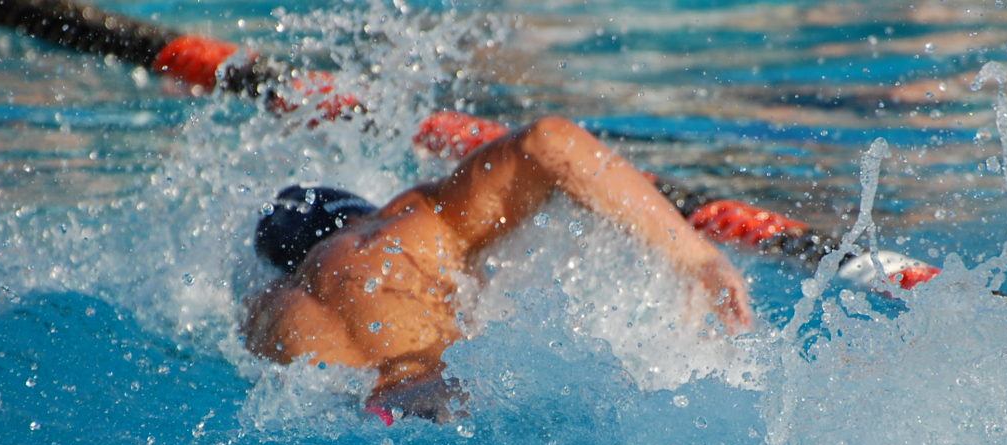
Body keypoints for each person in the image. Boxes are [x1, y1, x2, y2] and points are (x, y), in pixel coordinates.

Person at [243, 116, 753, 420]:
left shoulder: (263, 316)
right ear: (362, 213)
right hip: (444, 400)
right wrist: (699, 258)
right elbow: (548, 141)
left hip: (371, 424)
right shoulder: (406, 225)